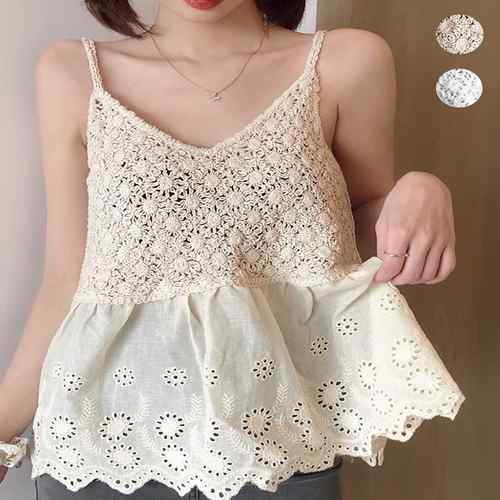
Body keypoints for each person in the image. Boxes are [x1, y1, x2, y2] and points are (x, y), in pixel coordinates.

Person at [0, 1, 465, 499]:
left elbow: (354, 232)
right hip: (102, 441)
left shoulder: (346, 63)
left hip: (277, 434)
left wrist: (423, 189)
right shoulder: (72, 72)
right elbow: (68, 281)